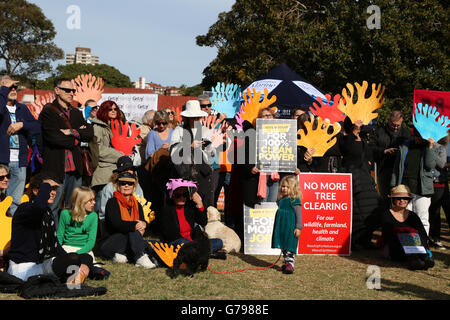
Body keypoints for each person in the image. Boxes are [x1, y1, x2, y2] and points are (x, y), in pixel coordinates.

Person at [7, 173, 94, 283]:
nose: (53, 193)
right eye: (49, 189)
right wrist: (46, 184)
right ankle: (72, 277)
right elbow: (39, 207)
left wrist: (77, 263)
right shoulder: (24, 209)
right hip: (24, 268)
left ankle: (74, 275)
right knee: (73, 259)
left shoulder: (47, 213)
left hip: (44, 263)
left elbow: (55, 245)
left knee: (84, 258)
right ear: (35, 191)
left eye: (54, 189)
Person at [38, 78, 94, 228]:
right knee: (52, 207)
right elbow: (53, 138)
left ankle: (68, 240)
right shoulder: (48, 112)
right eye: (67, 90)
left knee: (73, 208)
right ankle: (51, 240)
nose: (71, 93)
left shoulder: (75, 112)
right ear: (57, 90)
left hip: (75, 169)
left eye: (73, 90)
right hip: (55, 169)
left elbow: (89, 133)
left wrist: (70, 132)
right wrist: (77, 138)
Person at [339, 117, 382, 250]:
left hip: (365, 179)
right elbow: (347, 150)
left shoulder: (363, 139)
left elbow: (367, 155)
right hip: (353, 179)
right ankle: (355, 241)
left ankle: (366, 238)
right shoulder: (344, 139)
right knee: (357, 212)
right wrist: (353, 133)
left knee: (372, 208)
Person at [0, 76, 41, 215]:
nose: (12, 89)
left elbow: (37, 127)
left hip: (20, 160)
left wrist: (22, 124)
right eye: (8, 86)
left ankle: (12, 231)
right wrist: (3, 89)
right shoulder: (1, 106)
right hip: (2, 160)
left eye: (14, 87)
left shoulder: (22, 108)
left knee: (15, 201)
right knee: (1, 198)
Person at [99, 171, 155, 269]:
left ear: (134, 186)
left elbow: (142, 221)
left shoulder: (137, 204)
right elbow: (116, 224)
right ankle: (140, 256)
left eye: (130, 183)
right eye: (123, 183)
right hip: (111, 241)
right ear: (118, 185)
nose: (126, 186)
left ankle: (123, 255)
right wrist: (135, 225)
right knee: (133, 232)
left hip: (129, 240)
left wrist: (144, 224)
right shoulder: (112, 202)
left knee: (138, 235)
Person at [158, 179, 225, 258]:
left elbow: (203, 222)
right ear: (172, 195)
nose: (182, 198)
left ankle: (195, 253)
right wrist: (192, 244)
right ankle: (204, 253)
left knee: (218, 242)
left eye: (185, 195)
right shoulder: (166, 210)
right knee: (184, 242)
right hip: (176, 243)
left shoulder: (189, 207)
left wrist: (200, 205)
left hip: (192, 243)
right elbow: (169, 235)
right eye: (178, 195)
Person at [391, 128, 438, 236]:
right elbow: (396, 168)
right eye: (416, 137)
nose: (418, 140)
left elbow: (430, 165)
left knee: (422, 219)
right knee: (404, 217)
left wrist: (430, 147)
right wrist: (394, 185)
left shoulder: (430, 146)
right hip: (404, 188)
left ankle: (424, 245)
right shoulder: (405, 146)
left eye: (421, 137)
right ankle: (407, 245)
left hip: (422, 189)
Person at [170, 100, 215, 208]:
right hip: (184, 172)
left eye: (197, 117)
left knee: (202, 203)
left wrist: (207, 145)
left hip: (202, 172)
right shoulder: (179, 130)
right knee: (186, 204)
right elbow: (172, 152)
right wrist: (189, 146)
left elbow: (211, 154)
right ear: (187, 118)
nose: (195, 119)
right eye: (193, 117)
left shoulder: (205, 130)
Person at [380, 185, 434, 270]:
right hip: (394, 245)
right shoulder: (386, 214)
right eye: (398, 198)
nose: (402, 200)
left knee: (415, 239)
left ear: (408, 200)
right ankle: (415, 259)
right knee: (406, 236)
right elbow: (387, 235)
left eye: (405, 198)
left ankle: (423, 257)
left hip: (413, 244)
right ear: (393, 200)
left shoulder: (412, 215)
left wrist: (424, 247)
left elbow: (422, 234)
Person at [373, 110, 411, 208]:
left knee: (401, 198)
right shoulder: (379, 132)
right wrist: (384, 151)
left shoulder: (407, 133)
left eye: (398, 125)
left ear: (402, 121)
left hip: (402, 171)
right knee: (386, 198)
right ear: (389, 120)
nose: (395, 127)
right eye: (393, 125)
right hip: (384, 169)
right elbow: (371, 148)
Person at [91, 100, 125, 194]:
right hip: (104, 172)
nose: (113, 111)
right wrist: (120, 155)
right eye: (110, 109)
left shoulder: (119, 126)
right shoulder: (97, 127)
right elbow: (98, 149)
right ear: (103, 110)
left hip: (118, 171)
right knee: (102, 205)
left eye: (115, 109)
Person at [56, 186, 98, 261]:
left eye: (94, 199)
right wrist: (59, 251)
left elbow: (91, 241)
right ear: (80, 202)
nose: (94, 202)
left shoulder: (93, 216)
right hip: (66, 248)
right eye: (90, 200)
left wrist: (77, 253)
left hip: (84, 250)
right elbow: (59, 236)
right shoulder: (65, 213)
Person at [96, 155, 144, 221]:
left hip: (135, 221)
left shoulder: (137, 186)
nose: (128, 172)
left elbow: (142, 204)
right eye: (125, 169)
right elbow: (103, 214)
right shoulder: (109, 188)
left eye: (130, 169)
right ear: (119, 172)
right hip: (113, 222)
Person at [271, 175, 302, 274]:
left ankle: (290, 265)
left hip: (290, 226)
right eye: (283, 186)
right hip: (281, 226)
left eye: (288, 187)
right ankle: (285, 263)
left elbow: (299, 215)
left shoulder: (294, 200)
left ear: (293, 188)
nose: (284, 189)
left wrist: (298, 227)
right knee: (283, 245)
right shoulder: (281, 200)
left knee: (289, 245)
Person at [428, 134, 448, 250]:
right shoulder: (424, 146)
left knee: (437, 211)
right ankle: (431, 237)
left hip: (439, 183)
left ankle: (437, 238)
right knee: (430, 212)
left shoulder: (440, 148)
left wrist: (431, 150)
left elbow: (441, 164)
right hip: (428, 183)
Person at [256, 107, 280, 202]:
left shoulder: (280, 133)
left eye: (269, 115)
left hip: (275, 172)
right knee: (263, 202)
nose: (267, 117)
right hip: (262, 172)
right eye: (264, 116)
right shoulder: (256, 133)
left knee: (273, 202)